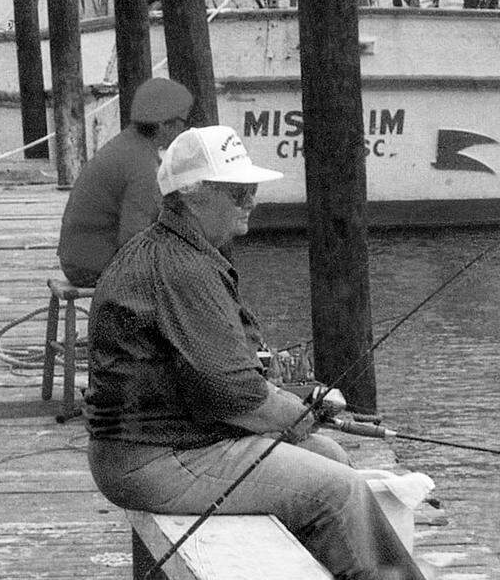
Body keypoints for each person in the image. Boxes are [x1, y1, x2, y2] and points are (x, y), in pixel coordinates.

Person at [84, 126, 425, 580]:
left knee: (330, 456)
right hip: (153, 459)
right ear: (192, 193)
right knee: (338, 490)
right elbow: (230, 392)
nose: (252, 200)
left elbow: (216, 374)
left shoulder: (178, 252)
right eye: (238, 191)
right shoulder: (181, 269)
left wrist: (300, 411)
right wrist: (297, 414)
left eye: (252, 189)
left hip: (171, 443)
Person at [57, 77, 193, 288]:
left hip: (76, 258)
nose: (183, 132)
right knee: (187, 278)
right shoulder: (142, 166)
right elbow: (133, 239)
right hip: (90, 267)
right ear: (164, 125)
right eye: (182, 124)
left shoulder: (127, 145)